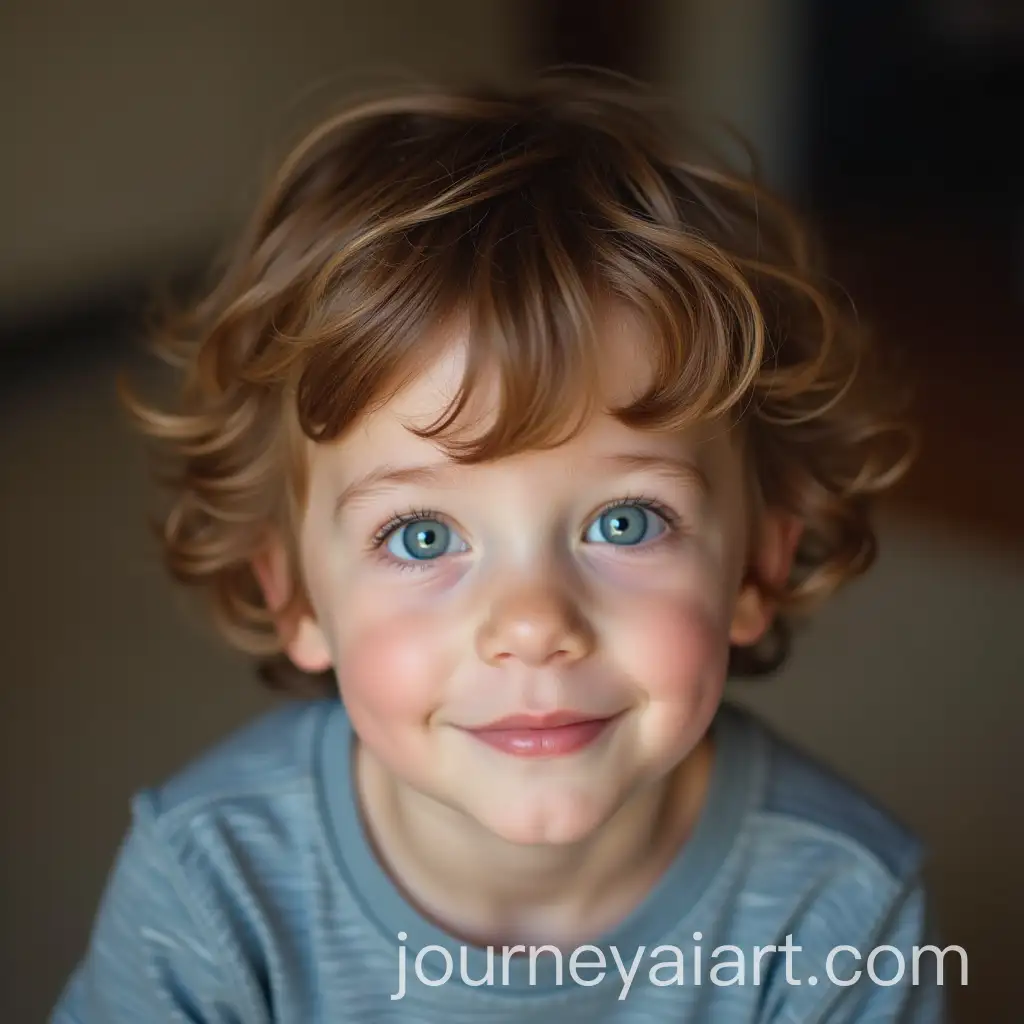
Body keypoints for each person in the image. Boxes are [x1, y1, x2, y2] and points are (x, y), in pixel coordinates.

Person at [52, 70, 949, 1021]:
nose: (532, 625)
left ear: (758, 567)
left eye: (626, 521)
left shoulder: (838, 908)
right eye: (422, 535)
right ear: (296, 598)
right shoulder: (211, 885)